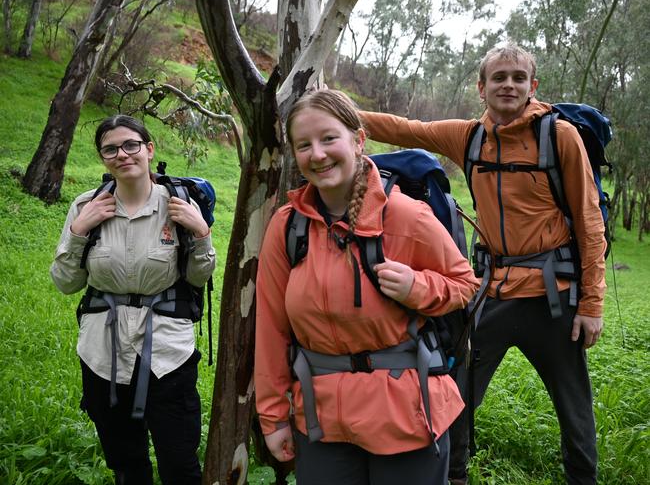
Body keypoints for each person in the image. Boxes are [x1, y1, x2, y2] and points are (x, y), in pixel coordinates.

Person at [358, 43, 607, 485]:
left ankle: (582, 479)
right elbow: (407, 129)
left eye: (517, 77)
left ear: (533, 86)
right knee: (457, 391)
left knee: (573, 405)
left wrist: (591, 306)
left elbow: (589, 223)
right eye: (498, 77)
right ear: (482, 87)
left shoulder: (559, 137)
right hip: (490, 293)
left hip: (555, 298)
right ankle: (454, 475)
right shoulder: (468, 136)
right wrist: (338, 115)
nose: (507, 84)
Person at [254, 89, 480, 484]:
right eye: (304, 145)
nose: (317, 154)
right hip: (322, 418)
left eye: (328, 139)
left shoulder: (406, 215)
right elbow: (271, 328)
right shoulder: (287, 227)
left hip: (406, 413)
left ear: (358, 140)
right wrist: (272, 416)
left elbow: (464, 283)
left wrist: (418, 287)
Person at [50, 115, 216, 485]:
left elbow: (197, 277)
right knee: (126, 462)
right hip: (103, 352)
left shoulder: (178, 204)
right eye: (111, 149)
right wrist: (79, 230)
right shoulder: (85, 206)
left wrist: (201, 231)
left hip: (167, 353)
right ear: (102, 158)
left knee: (179, 460)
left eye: (131, 145)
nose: (122, 154)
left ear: (149, 149)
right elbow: (65, 282)